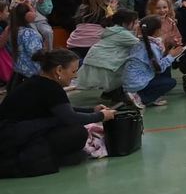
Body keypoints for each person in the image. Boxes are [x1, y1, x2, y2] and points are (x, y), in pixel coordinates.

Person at [0, 48, 118, 176]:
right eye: (73, 71)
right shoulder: (51, 88)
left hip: (13, 133)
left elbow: (61, 110)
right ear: (59, 70)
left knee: (73, 140)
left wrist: (92, 110)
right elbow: (70, 117)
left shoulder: (37, 82)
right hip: (14, 139)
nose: (75, 76)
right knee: (78, 133)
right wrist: (100, 116)